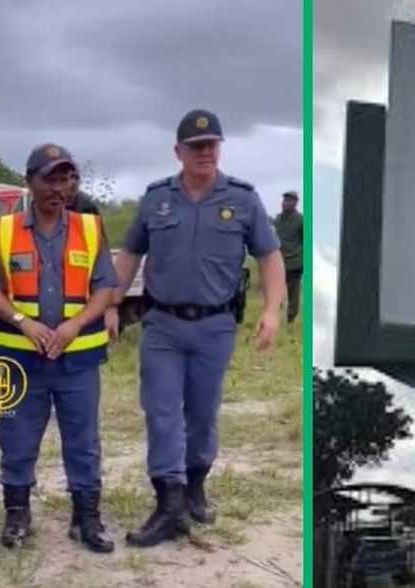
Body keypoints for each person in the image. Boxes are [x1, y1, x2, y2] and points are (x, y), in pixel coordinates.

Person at [113, 109, 286, 547]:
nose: (205, 153)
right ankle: (169, 502)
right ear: (179, 152)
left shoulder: (243, 199)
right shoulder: (157, 199)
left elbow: (269, 256)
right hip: (163, 325)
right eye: (196, 147)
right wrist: (110, 305)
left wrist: (271, 311)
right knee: (162, 410)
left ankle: (195, 486)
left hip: (215, 326)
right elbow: (130, 254)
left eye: (212, 145)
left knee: (203, 413)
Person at [0, 143, 119, 553]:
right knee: (16, 437)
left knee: (83, 440)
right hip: (19, 359)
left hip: (78, 360)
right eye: (52, 178)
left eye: (69, 178)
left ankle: (86, 518)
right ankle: (17, 515)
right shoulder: (4, 230)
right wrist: (25, 323)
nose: (62, 187)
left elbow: (106, 286)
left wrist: (74, 325)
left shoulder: (90, 228)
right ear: (30, 182)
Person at [64, 184, 121, 339]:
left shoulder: (85, 208)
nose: (70, 182)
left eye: (73, 177)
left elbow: (104, 271)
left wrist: (111, 308)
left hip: (85, 321)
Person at [274, 190, 303, 323]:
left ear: (295, 203)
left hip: (294, 263)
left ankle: (291, 317)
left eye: (289, 200)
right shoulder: (278, 218)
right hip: (278, 261)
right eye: (285, 200)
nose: (286, 203)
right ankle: (274, 316)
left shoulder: (301, 220)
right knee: (275, 291)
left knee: (293, 293)